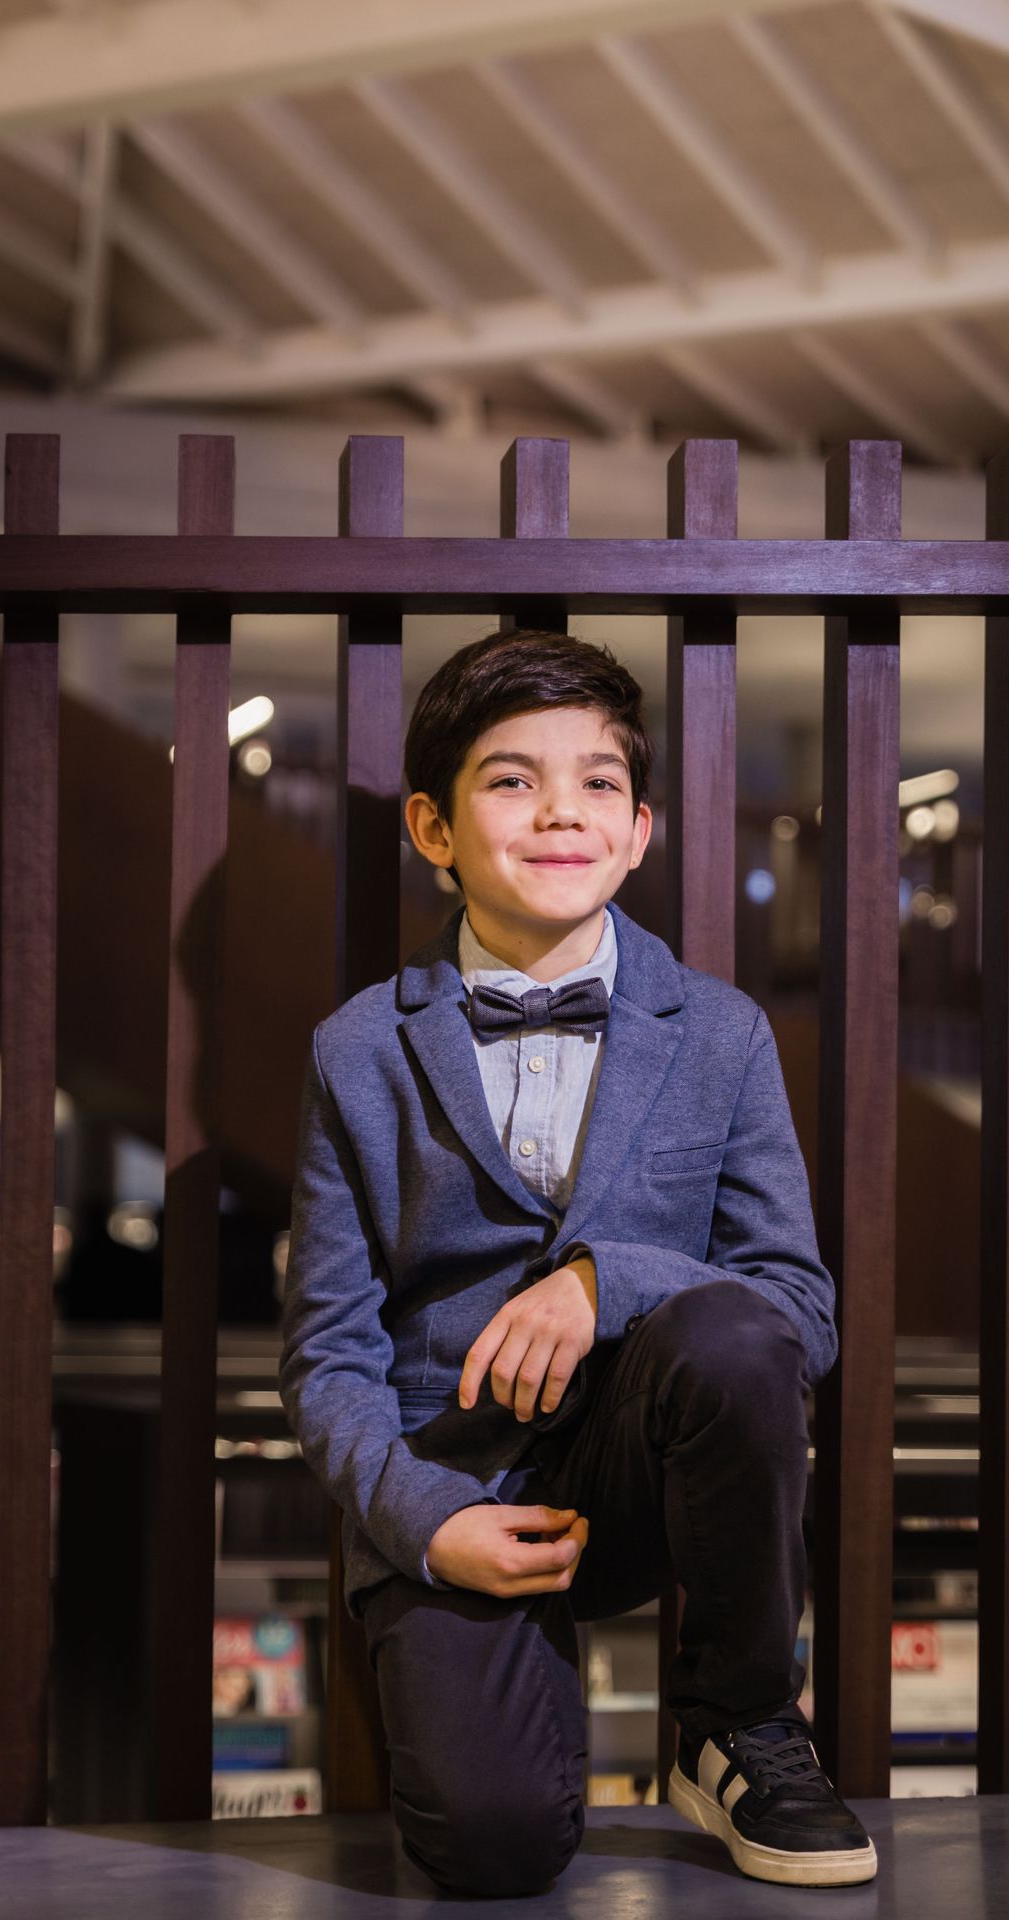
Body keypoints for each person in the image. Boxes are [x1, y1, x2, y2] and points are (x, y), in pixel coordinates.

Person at [278, 628, 878, 1894]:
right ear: (435, 831)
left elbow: (797, 1309)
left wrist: (605, 1279)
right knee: (489, 1852)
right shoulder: (355, 1050)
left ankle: (736, 1722)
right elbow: (327, 1354)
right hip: (454, 1475)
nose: (561, 811)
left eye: (597, 781)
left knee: (731, 1334)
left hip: (647, 1469)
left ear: (640, 827)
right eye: (512, 780)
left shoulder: (720, 1032)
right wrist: (427, 1526)